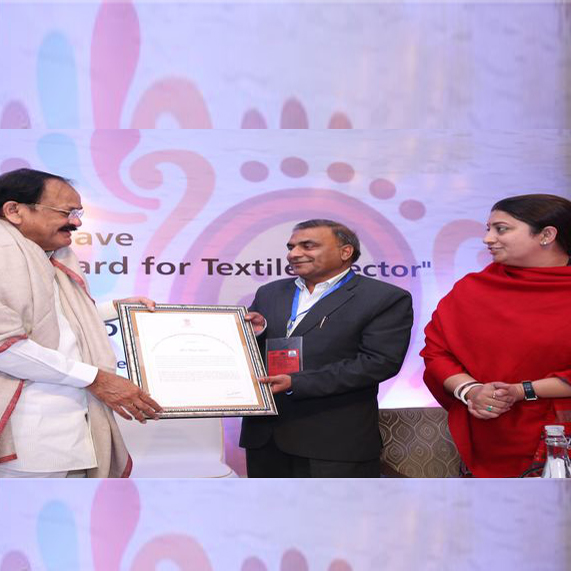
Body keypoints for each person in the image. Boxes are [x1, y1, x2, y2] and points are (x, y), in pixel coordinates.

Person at [0, 168, 162, 478]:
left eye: (78, 213)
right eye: (66, 212)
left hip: (71, 435)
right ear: (14, 211)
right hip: (27, 445)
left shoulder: (47, 258)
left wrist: (115, 309)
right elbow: (6, 347)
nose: (76, 222)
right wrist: (97, 379)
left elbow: (53, 320)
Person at [240, 219, 413, 477]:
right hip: (266, 439)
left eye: (308, 246)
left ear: (345, 252)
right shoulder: (269, 293)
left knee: (335, 506)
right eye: (291, 247)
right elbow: (253, 353)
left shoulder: (384, 298)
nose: (294, 254)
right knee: (267, 505)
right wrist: (258, 332)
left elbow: (378, 363)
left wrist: (296, 382)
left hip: (334, 442)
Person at [421, 194, 571, 477]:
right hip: (491, 434)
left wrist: (522, 391)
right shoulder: (472, 289)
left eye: (501, 229)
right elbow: (436, 352)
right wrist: (471, 391)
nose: (488, 239)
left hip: (559, 437)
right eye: (488, 229)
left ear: (547, 235)